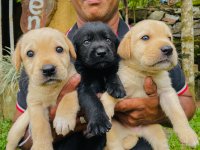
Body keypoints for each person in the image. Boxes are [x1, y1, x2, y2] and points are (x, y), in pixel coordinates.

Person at [14, 0, 196, 149]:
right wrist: (51, 124)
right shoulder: (47, 51)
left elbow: (186, 102)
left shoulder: (148, 40)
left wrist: (156, 112)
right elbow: (23, 133)